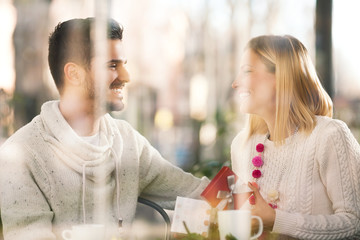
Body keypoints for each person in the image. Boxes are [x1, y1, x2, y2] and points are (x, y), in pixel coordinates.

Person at [0, 17, 209, 240]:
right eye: (112, 66)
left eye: (123, 65)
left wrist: (242, 194)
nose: (126, 77)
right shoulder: (20, 155)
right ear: (74, 74)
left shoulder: (127, 142)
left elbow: (198, 194)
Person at [231, 35, 360, 239]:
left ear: (280, 76)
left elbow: (354, 223)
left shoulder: (330, 136)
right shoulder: (242, 145)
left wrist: (276, 219)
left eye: (247, 71)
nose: (235, 83)